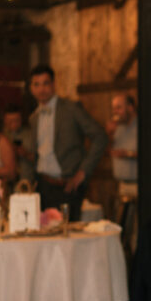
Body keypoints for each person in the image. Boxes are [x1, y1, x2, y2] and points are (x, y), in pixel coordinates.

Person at [27, 64, 107, 221]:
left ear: (54, 85)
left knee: (68, 239)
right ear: (31, 88)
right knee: (45, 239)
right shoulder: (34, 118)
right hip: (43, 186)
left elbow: (100, 137)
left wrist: (82, 173)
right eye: (36, 84)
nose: (41, 89)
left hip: (68, 185)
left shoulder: (71, 109)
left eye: (45, 83)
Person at [106, 93, 138, 206]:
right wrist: (109, 135)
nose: (115, 112)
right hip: (122, 185)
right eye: (114, 108)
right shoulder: (117, 128)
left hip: (138, 186)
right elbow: (108, 152)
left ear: (130, 108)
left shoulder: (142, 126)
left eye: (119, 108)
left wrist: (128, 154)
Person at [3, 104, 35, 186]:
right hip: (5, 180)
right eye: (10, 121)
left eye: (16, 120)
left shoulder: (30, 134)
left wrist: (26, 154)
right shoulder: (1, 135)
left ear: (21, 119)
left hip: (26, 180)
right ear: (4, 120)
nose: (13, 124)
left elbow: (40, 160)